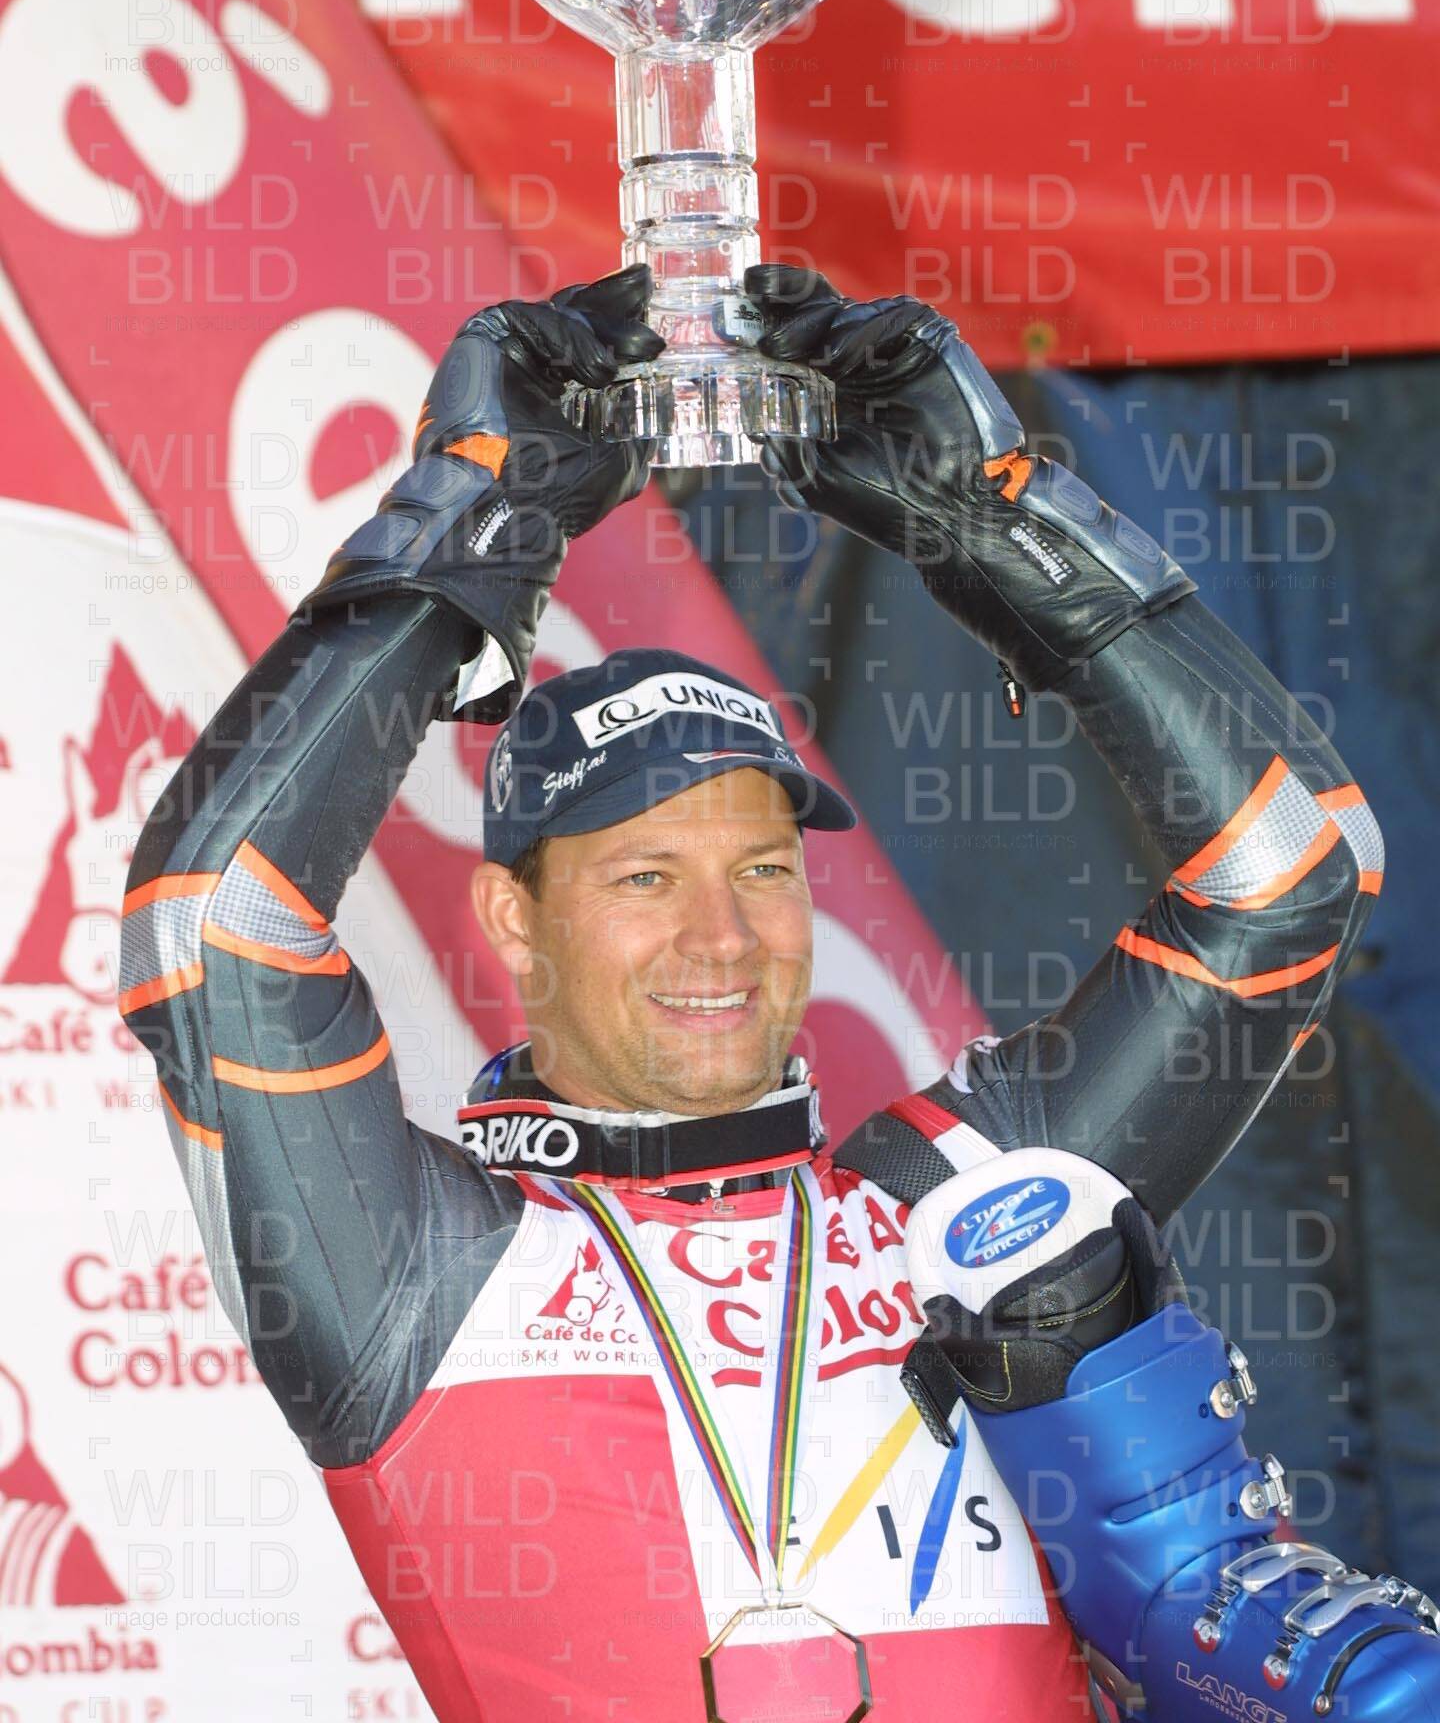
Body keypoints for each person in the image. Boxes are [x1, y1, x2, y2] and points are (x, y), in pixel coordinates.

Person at [119, 265, 1437, 1721]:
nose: (722, 936)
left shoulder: (964, 1201)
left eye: (762, 869)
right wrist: (472, 516)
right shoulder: (414, 1270)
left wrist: (996, 522)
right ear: (514, 919)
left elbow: (1292, 876)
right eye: (645, 877)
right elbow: (211, 930)